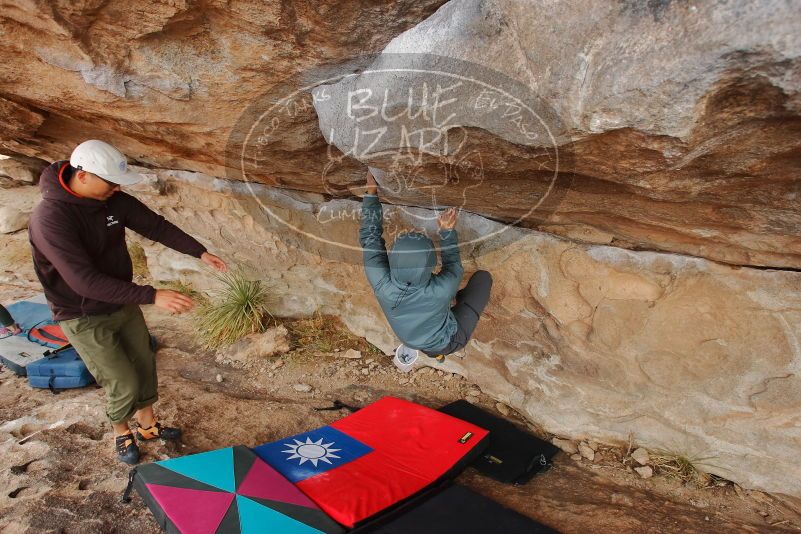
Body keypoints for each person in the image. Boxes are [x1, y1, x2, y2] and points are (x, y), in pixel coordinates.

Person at [28, 140, 228, 464]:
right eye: (110, 182)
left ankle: (148, 425)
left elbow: (156, 226)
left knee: (143, 361)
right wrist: (152, 296)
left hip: (119, 299)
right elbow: (84, 282)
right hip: (81, 312)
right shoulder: (50, 218)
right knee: (121, 379)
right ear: (83, 177)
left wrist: (199, 251)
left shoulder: (112, 200)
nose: (117, 188)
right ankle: (122, 431)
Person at [358, 170, 492, 360]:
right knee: (483, 279)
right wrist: (371, 194)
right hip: (448, 341)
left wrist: (371, 196)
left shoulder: (385, 283)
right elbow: (453, 264)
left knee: (446, 301)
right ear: (430, 262)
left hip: (410, 337)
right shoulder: (439, 289)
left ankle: (434, 339)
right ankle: (436, 351)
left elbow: (370, 240)